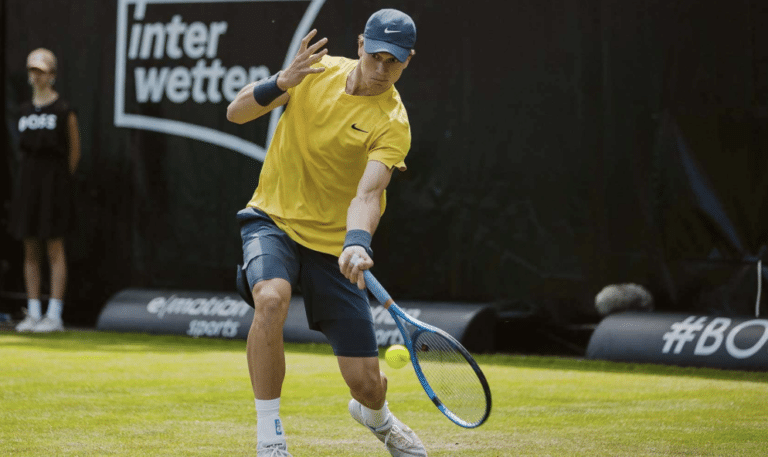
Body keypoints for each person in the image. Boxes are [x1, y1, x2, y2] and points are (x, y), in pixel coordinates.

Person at [226, 8, 427, 457]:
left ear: (408, 61)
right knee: (271, 298)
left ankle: (379, 419)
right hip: (274, 218)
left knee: (367, 386)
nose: (381, 70)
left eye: (393, 62)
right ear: (360, 45)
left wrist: (357, 242)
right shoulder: (313, 73)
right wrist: (282, 81)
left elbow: (368, 194)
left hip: (334, 246)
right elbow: (236, 112)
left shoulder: (393, 122)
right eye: (374, 56)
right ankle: (270, 437)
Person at [9, 48, 80, 333]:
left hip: (55, 187)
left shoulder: (63, 110)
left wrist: (59, 181)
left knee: (54, 248)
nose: (35, 76)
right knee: (30, 249)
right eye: (32, 70)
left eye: (40, 71)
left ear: (52, 74)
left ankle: (54, 315)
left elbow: (74, 153)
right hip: (27, 187)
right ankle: (34, 313)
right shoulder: (23, 110)